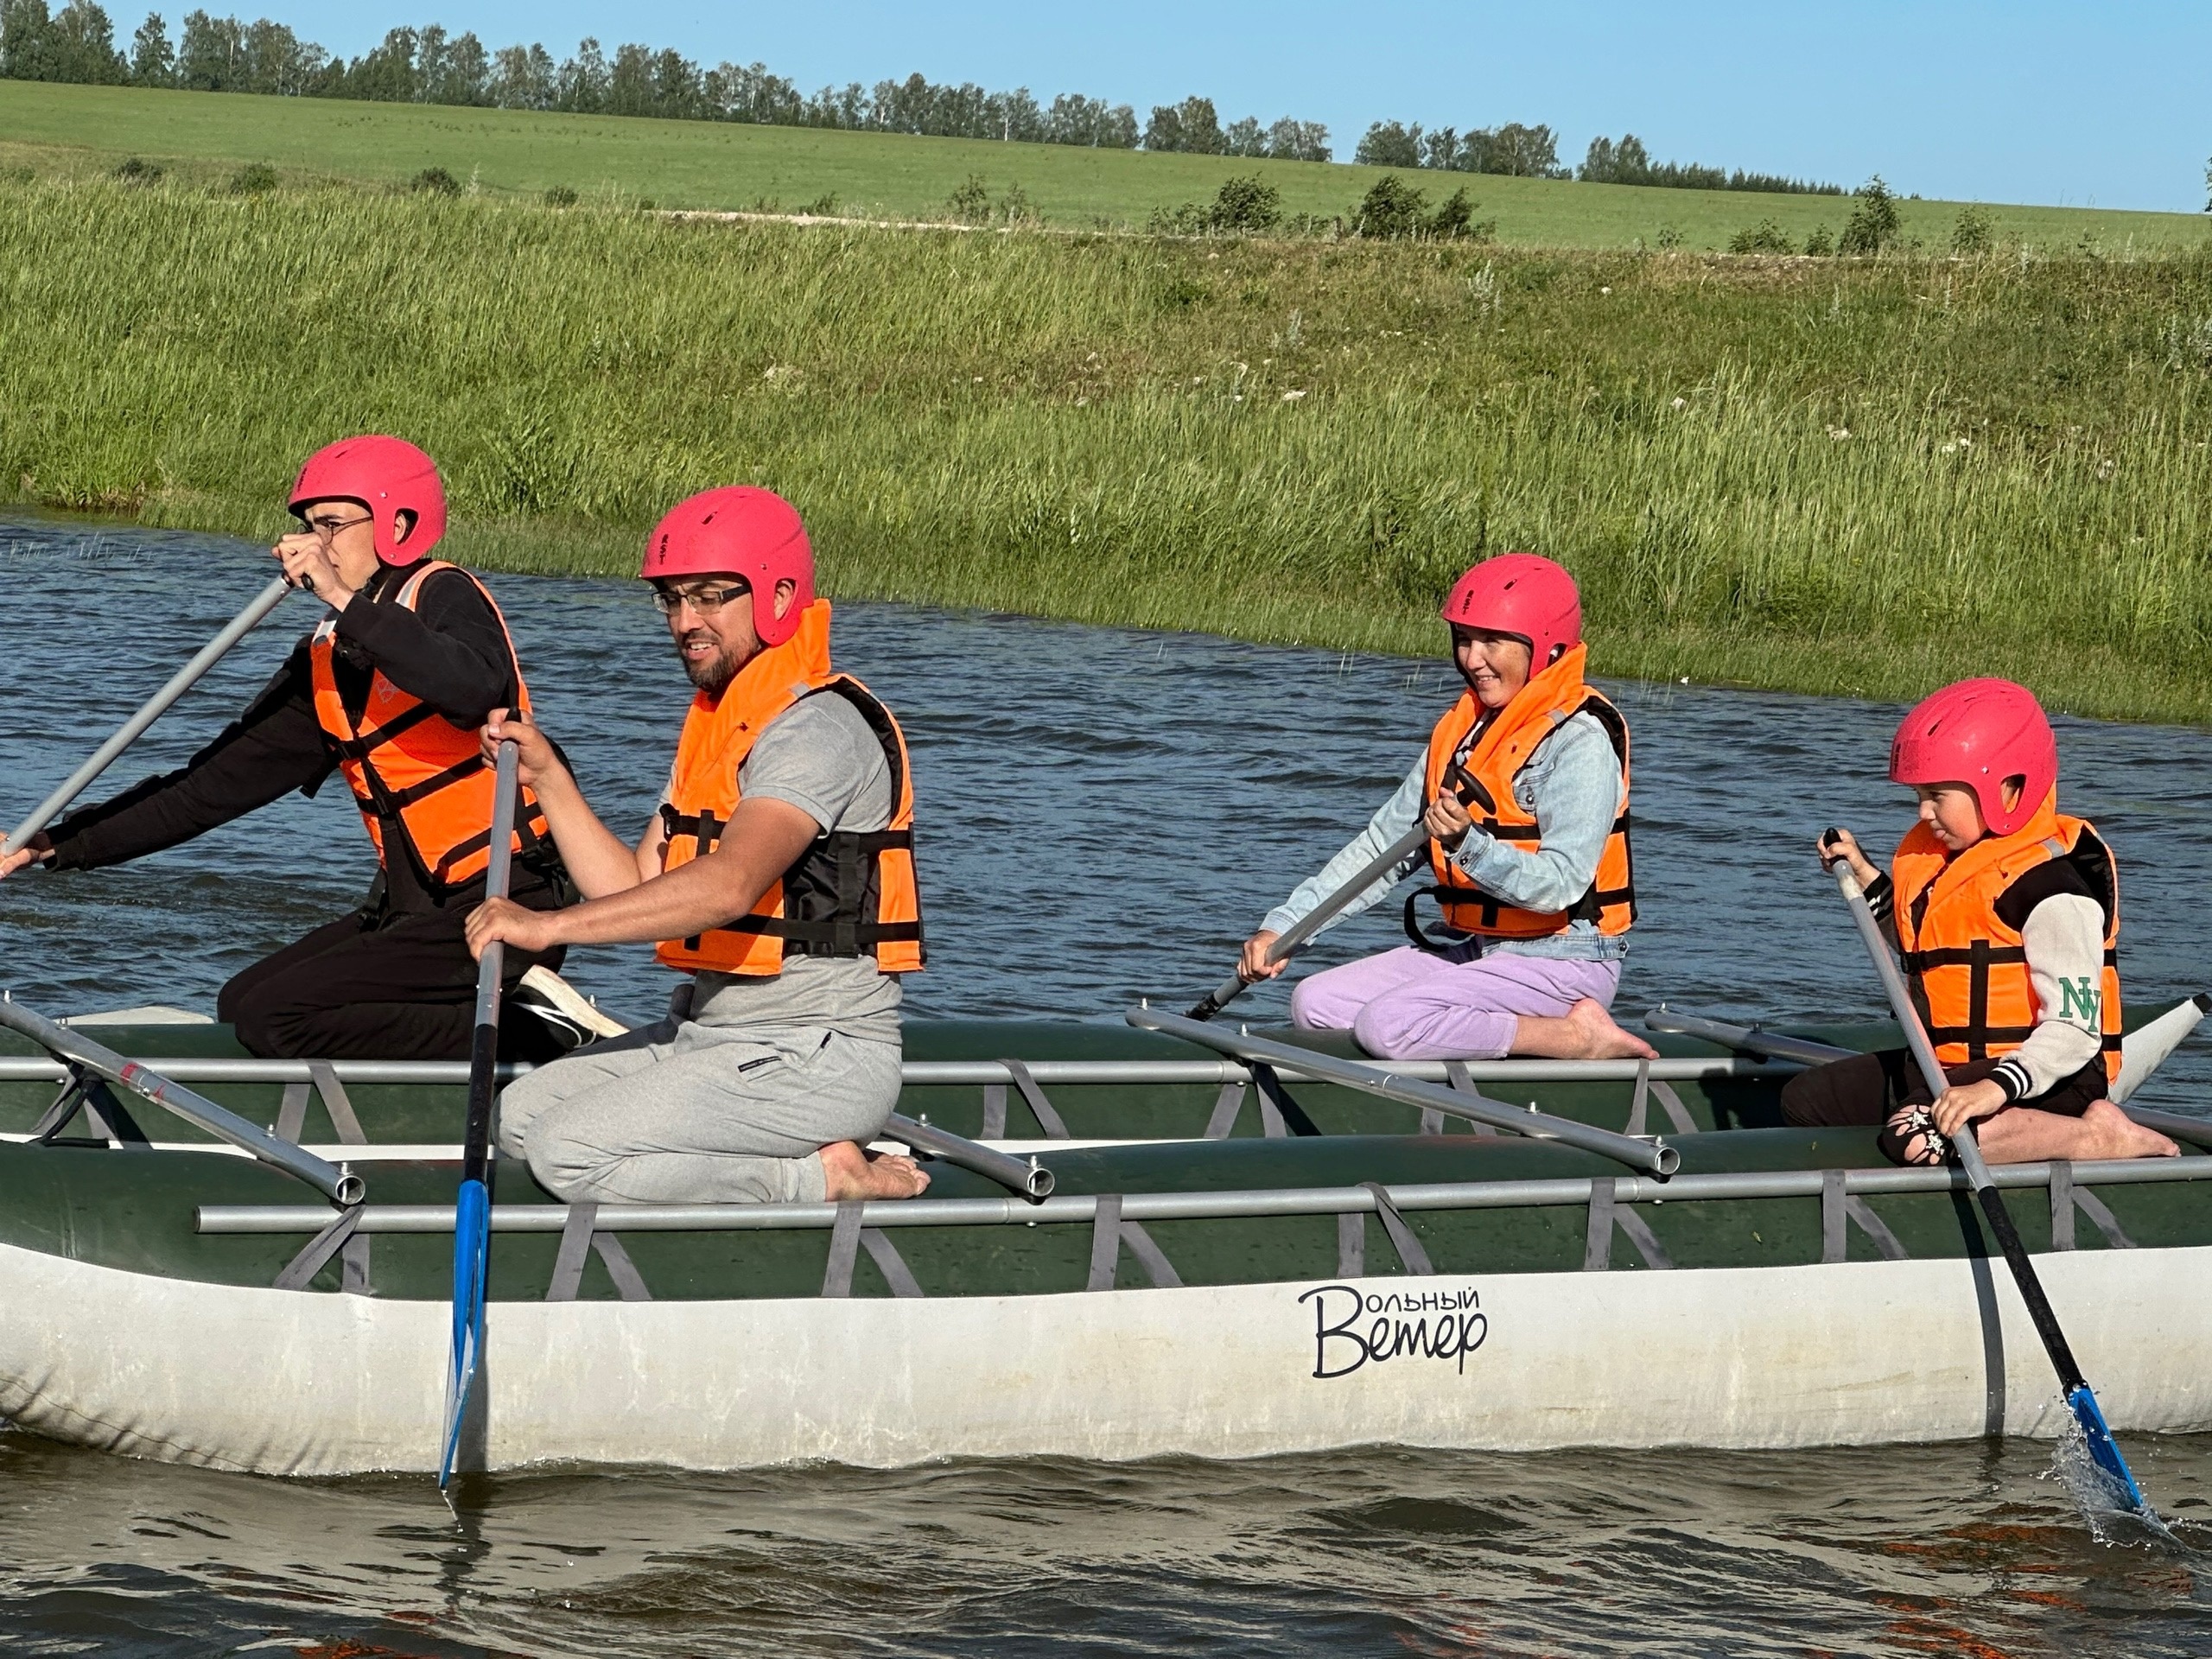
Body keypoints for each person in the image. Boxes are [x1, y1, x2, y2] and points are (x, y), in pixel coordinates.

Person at [0, 435, 575, 1060]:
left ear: (399, 525)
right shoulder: (328, 663)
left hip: (508, 901)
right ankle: (449, 1046)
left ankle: (543, 1037)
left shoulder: (444, 594)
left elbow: (474, 689)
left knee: (275, 1016)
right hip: (415, 908)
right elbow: (206, 791)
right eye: (307, 527)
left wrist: (340, 598)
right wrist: (55, 844)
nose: (310, 545)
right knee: (242, 1002)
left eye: (332, 525)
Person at [467, 486, 931, 1206]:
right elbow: (629, 886)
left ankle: (823, 1177)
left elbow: (728, 886)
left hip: (815, 1053)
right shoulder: (723, 728)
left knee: (567, 1155)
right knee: (520, 1120)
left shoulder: (818, 730)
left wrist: (546, 926)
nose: (686, 622)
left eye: (711, 596)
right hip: (709, 1031)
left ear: (779, 595)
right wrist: (549, 778)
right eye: (673, 600)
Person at [1238, 552, 1656, 1062]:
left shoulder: (1581, 741)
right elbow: (1381, 849)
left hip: (1566, 959)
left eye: (1492, 642)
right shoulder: (1465, 731)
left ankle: (1576, 1038)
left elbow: (1561, 885)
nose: (1472, 659)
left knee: (1389, 1023)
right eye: (1463, 639)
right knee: (1318, 1004)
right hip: (1476, 945)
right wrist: (1285, 928)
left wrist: (1466, 843)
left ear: (1546, 648)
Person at [1788, 677, 2176, 1166]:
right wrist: (1865, 876)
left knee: (1917, 1138)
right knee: (1805, 1100)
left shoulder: (2055, 891)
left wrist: (1994, 1089)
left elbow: (2077, 1029)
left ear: (2008, 787)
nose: (1924, 812)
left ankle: (2099, 1137)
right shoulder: (1947, 864)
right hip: (1945, 1065)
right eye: (1919, 795)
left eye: (1937, 795)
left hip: (2048, 1078)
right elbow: (1923, 947)